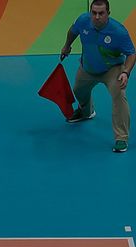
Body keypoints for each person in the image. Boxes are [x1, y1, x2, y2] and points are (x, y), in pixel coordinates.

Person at [60, 0, 135, 153]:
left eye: (101, 13)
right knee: (79, 90)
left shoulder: (118, 31)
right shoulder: (83, 21)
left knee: (118, 95)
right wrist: (67, 45)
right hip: (88, 68)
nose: (97, 16)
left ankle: (121, 137)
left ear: (108, 13)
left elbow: (131, 53)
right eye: (94, 13)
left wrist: (125, 72)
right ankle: (86, 112)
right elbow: (72, 31)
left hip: (111, 70)